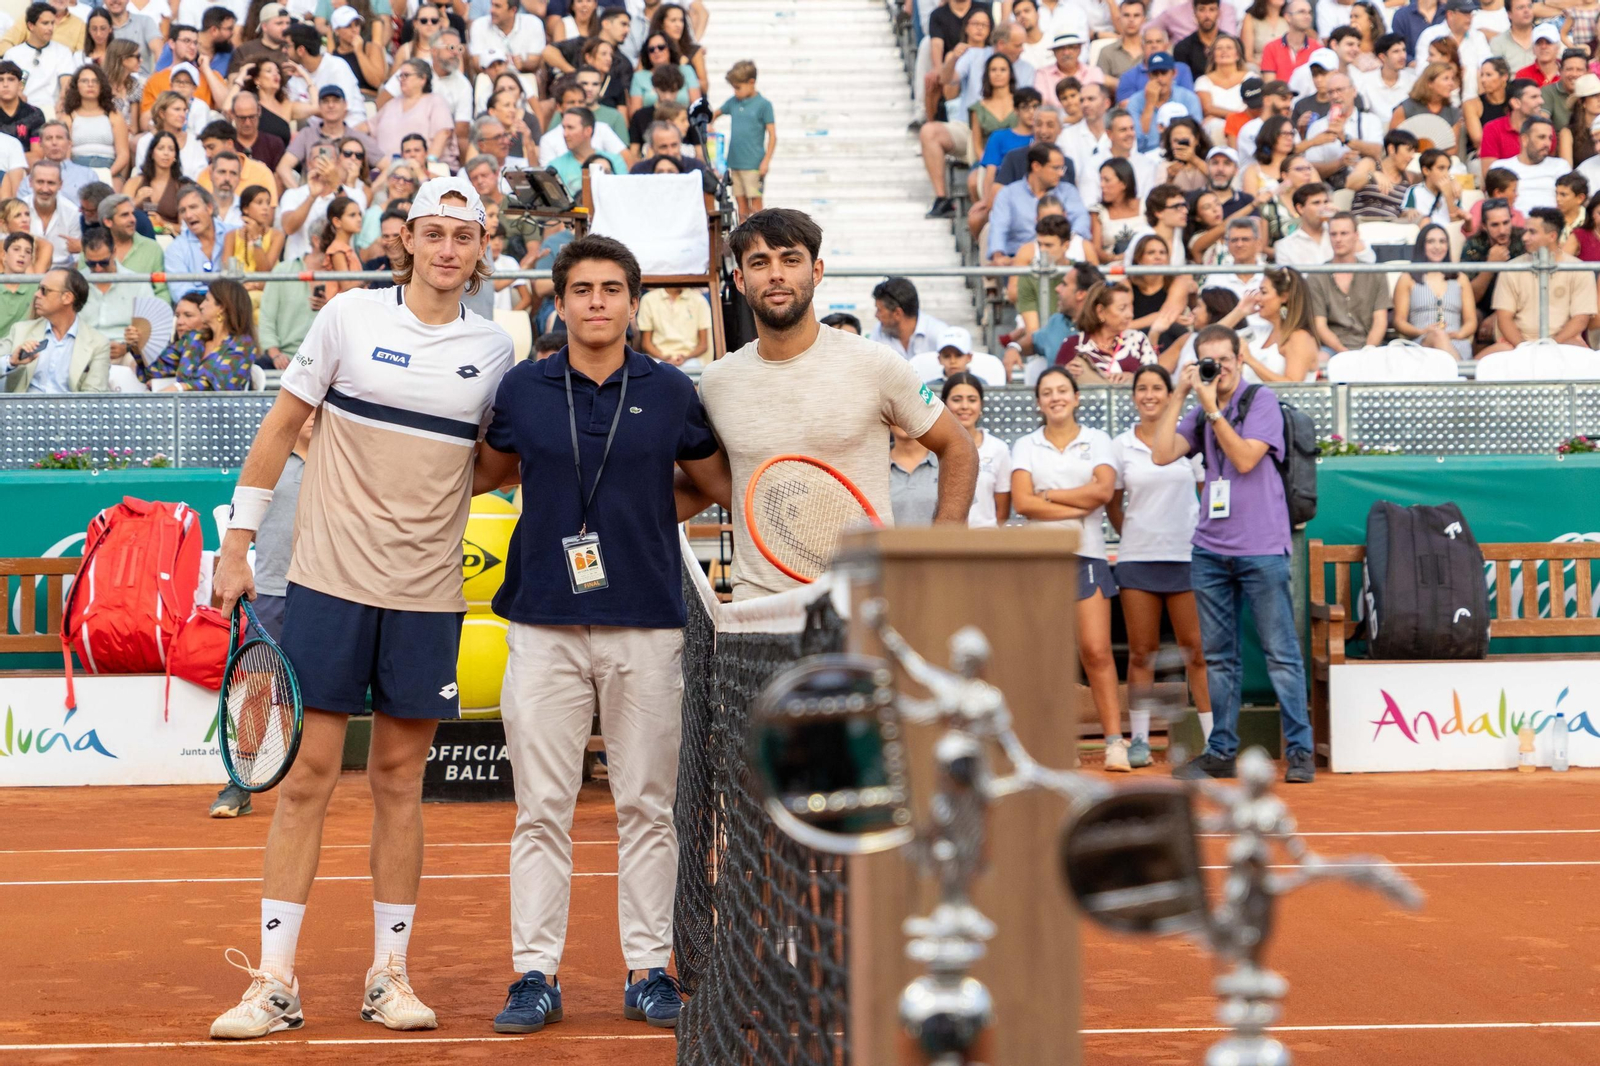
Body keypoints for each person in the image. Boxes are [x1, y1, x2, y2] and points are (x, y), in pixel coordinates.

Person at [208, 176, 514, 1041]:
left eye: (464, 234)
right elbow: (279, 429)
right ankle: (274, 983)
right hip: (329, 582)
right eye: (433, 232)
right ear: (406, 239)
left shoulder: (495, 350)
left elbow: (490, 465)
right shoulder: (347, 318)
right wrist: (237, 543)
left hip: (426, 597)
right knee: (306, 780)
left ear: (480, 247)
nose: (448, 248)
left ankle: (390, 976)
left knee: (399, 784)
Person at [464, 232, 723, 1036]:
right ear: (561, 301)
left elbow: (711, 484)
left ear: (634, 303)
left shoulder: (674, 389)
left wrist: (641, 521)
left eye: (612, 289)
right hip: (542, 623)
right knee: (541, 808)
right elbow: (486, 473)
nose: (598, 302)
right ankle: (533, 974)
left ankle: (649, 970)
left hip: (645, 623)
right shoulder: (523, 389)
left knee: (647, 806)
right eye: (582, 290)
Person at [696, 209, 980, 601]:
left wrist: (945, 546)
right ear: (741, 280)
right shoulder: (716, 382)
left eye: (791, 260)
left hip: (862, 601)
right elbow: (717, 479)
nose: (776, 274)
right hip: (758, 605)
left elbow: (958, 446)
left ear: (816, 272)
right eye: (760, 263)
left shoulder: (875, 363)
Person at [1150, 324, 1316, 784]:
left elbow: (1245, 459)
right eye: (1208, 362)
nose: (1217, 370)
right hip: (1210, 550)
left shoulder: (1259, 402)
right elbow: (1161, 454)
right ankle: (1221, 749)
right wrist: (1181, 394)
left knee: (1280, 653)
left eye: (1224, 361)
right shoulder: (1201, 409)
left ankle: (1299, 750)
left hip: (1262, 547)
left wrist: (1212, 411)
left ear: (1240, 361)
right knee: (1219, 656)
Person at [1008, 367, 1126, 769]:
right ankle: (1061, 745)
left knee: (1096, 651)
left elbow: (1104, 492)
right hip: (1041, 558)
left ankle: (1114, 743)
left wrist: (1051, 495)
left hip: (1088, 554)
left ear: (1076, 397)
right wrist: (1079, 502)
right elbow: (1023, 504)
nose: (1055, 397)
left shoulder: (1099, 440)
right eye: (1047, 392)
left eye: (1062, 390)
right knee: (1051, 655)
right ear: (1039, 402)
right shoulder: (1024, 445)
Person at [209, 410, 316, 817]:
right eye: (302, 410)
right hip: (269, 594)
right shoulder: (270, 459)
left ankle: (297, 784)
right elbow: (241, 521)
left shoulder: (335, 458)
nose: (308, 416)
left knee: (297, 696)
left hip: (320, 594)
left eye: (315, 409)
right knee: (255, 689)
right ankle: (242, 782)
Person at [1109, 363, 1211, 755]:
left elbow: (1208, 494)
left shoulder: (1189, 439)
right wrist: (1137, 533)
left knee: (1196, 652)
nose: (1149, 395)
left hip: (1186, 557)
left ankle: (1211, 738)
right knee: (1141, 653)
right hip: (1138, 559)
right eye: (1142, 389)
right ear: (1134, 396)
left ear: (1170, 395)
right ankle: (1138, 740)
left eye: (1157, 388)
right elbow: (1114, 505)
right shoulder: (1121, 446)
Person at [1487, 205, 1596, 350]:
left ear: (1552, 236)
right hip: (1516, 345)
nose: (1524, 237)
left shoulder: (1580, 269)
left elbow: (1580, 319)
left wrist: (1551, 347)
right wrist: (1524, 347)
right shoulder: (1511, 268)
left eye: (1532, 232)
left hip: (1564, 342)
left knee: (1583, 359)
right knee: (1479, 367)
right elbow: (1504, 318)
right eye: (1526, 231)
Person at [0, 267, 109, 393]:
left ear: (67, 298)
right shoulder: (21, 330)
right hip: (23, 410)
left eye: (44, 290)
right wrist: (11, 361)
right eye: (38, 289)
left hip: (70, 411)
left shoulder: (98, 343)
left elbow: (93, 397)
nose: (36, 294)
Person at [139, 278, 259, 390]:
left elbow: (222, 385)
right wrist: (137, 345)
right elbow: (153, 371)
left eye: (207, 300)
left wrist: (181, 388)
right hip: (181, 409)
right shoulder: (193, 339)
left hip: (219, 411)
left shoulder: (243, 345)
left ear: (221, 307)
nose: (201, 306)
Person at [1307, 213, 1391, 354]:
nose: (1338, 239)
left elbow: (1380, 321)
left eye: (1344, 233)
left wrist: (1367, 352)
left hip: (1369, 348)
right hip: (1331, 349)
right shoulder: (1316, 276)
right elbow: (1319, 325)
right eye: (1333, 234)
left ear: (1356, 235)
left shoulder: (1376, 273)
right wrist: (1344, 352)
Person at [1393, 222, 1477, 358]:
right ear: (1422, 246)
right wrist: (1421, 331)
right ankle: (1459, 376)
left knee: (1442, 337)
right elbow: (1399, 321)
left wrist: (1459, 334)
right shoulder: (1407, 278)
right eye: (1431, 242)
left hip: (1456, 341)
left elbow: (1471, 321)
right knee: (1438, 335)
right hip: (1421, 342)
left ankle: (1456, 373)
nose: (1437, 247)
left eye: (1442, 241)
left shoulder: (1460, 278)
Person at [941, 372, 1012, 529]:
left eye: (972, 400)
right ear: (945, 404)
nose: (965, 406)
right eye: (957, 400)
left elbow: (1002, 511)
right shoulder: (934, 448)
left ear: (981, 405)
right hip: (943, 544)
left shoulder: (998, 449)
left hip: (986, 545)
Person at [78, 226, 155, 368]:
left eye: (103, 262)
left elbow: (151, 326)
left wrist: (127, 347)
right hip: (84, 350)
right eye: (91, 264)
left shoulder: (136, 282)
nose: (98, 269)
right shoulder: (76, 282)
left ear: (114, 252)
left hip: (125, 351)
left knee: (140, 364)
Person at [1055, 279, 1159, 381]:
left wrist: (1134, 378)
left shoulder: (1138, 340)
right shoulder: (1074, 344)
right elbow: (1055, 382)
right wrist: (1065, 374)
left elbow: (1155, 379)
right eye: (1122, 308)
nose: (1130, 315)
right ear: (1100, 311)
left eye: (1131, 308)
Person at [1462, 196, 1526, 341]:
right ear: (1484, 226)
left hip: (1518, 307)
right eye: (1495, 225)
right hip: (1483, 307)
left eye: (1506, 223)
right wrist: (1490, 266)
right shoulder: (1473, 245)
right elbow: (1469, 297)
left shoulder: (1524, 240)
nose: (1502, 230)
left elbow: (1531, 289)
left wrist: (1498, 315)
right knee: (1474, 320)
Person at [1240, 267, 1319, 381]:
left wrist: (1250, 360)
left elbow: (1293, 385)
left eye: (1264, 292)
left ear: (1284, 297)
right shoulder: (1262, 331)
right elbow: (1212, 338)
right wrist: (1240, 312)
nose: (1257, 298)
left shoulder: (1300, 337)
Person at [720, 60, 776, 217]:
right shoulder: (733, 102)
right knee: (741, 206)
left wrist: (766, 161)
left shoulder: (764, 105)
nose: (735, 92)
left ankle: (759, 238)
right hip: (735, 163)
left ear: (751, 82)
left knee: (756, 205)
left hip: (753, 164)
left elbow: (772, 135)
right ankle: (742, 240)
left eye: (738, 87)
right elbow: (715, 114)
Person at [5, 3, 77, 113]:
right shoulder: (13, 54)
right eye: (45, 23)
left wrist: (62, 101)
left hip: (52, 110)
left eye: (52, 23)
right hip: (21, 111)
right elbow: (8, 85)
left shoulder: (63, 52)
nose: (50, 28)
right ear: (31, 26)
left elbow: (66, 83)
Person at [61, 65, 129, 175]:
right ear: (76, 86)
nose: (90, 84)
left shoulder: (114, 116)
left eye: (95, 81)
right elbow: (65, 157)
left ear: (102, 86)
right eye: (84, 81)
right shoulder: (68, 118)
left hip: (109, 168)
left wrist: (108, 175)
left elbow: (123, 154)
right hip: (77, 169)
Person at [164, 183, 228, 300]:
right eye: (183, 210)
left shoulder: (232, 234)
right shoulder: (175, 249)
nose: (188, 215)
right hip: (196, 309)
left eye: (193, 207)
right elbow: (180, 292)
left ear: (209, 208)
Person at [1499, 116, 1572, 215]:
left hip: (1552, 224)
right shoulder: (1502, 167)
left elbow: (1570, 202)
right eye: (1541, 137)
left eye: (1550, 138)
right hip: (1514, 225)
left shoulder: (1560, 166)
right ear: (1524, 140)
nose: (1547, 143)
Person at [868, 275, 948, 359]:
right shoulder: (878, 332)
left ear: (897, 313)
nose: (876, 315)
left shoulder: (939, 334)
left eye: (879, 310)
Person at [635, 285, 711, 370]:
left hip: (690, 359)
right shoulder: (649, 299)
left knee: (692, 369)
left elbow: (703, 345)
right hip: (658, 358)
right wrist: (664, 357)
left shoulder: (699, 301)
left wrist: (685, 357)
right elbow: (646, 343)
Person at [1349, 129, 1418, 219]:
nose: (1412, 156)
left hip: (1392, 226)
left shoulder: (1409, 177)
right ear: (1392, 149)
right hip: (1364, 222)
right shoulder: (1370, 164)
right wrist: (1371, 176)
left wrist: (1407, 212)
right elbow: (1350, 183)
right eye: (1408, 150)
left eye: (1414, 152)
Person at [1400, 147, 1467, 225]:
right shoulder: (1415, 191)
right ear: (1426, 171)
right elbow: (1403, 214)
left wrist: (1449, 197)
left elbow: (1458, 225)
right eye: (1441, 168)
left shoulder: (1455, 190)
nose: (1446, 174)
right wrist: (1408, 212)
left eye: (1447, 169)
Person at [1259, 0, 1319, 84]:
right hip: (1279, 94)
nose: (1307, 16)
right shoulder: (1271, 48)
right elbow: (1270, 86)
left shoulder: (1317, 49)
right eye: (1301, 12)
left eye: (1309, 12)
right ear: (1288, 17)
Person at [0, 232, 36, 335]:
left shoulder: (38, 288)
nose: (22, 255)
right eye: (16, 249)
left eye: (28, 252)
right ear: (4, 255)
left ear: (31, 259)